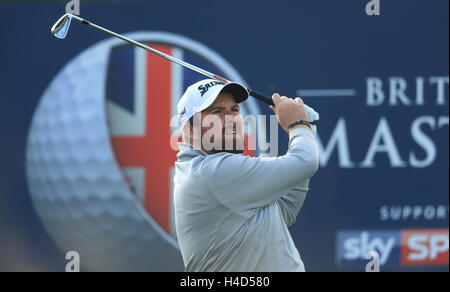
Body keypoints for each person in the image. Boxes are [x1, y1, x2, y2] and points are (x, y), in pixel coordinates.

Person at [174, 79, 319, 272]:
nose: (231, 118)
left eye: (234, 110)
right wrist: (299, 124)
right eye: (217, 112)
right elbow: (305, 161)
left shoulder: (212, 171)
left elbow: (284, 210)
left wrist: (307, 128)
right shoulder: (213, 172)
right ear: (190, 131)